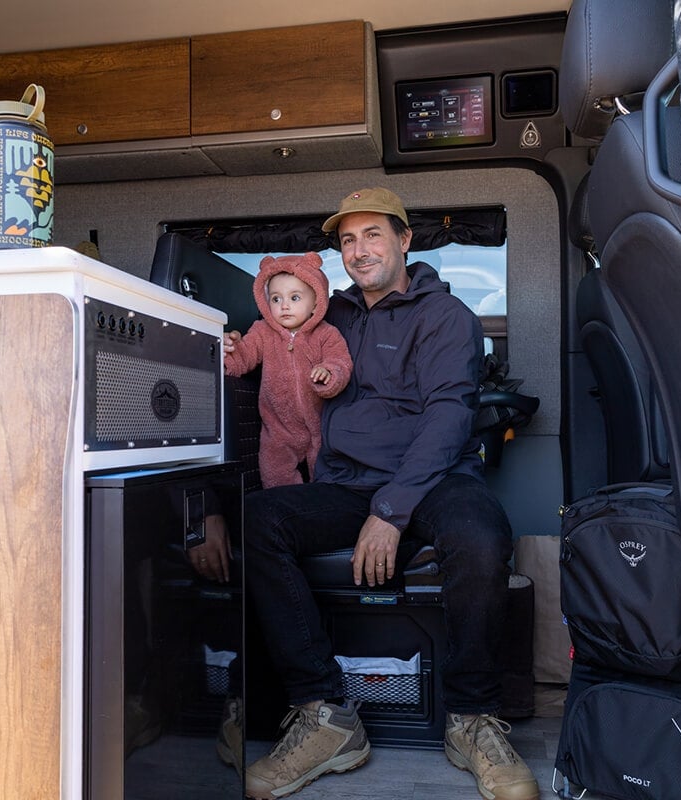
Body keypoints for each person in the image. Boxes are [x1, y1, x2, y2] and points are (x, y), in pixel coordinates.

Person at [224, 188, 540, 800]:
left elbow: (449, 415)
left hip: (437, 481)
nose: (358, 250)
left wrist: (390, 511)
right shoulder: (328, 315)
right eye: (347, 239)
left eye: (373, 235)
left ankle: (471, 719)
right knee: (257, 518)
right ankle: (325, 715)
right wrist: (235, 347)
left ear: (404, 241)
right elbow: (276, 344)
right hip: (347, 483)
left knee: (481, 535)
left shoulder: (447, 317)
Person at [224, 252, 353, 488]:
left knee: (326, 479)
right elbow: (245, 356)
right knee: (276, 477)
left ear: (316, 301)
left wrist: (329, 373)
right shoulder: (262, 331)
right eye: (275, 299)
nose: (284, 306)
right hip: (278, 427)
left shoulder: (327, 334)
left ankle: (319, 509)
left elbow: (341, 363)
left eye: (295, 298)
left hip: (321, 426)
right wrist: (228, 353)